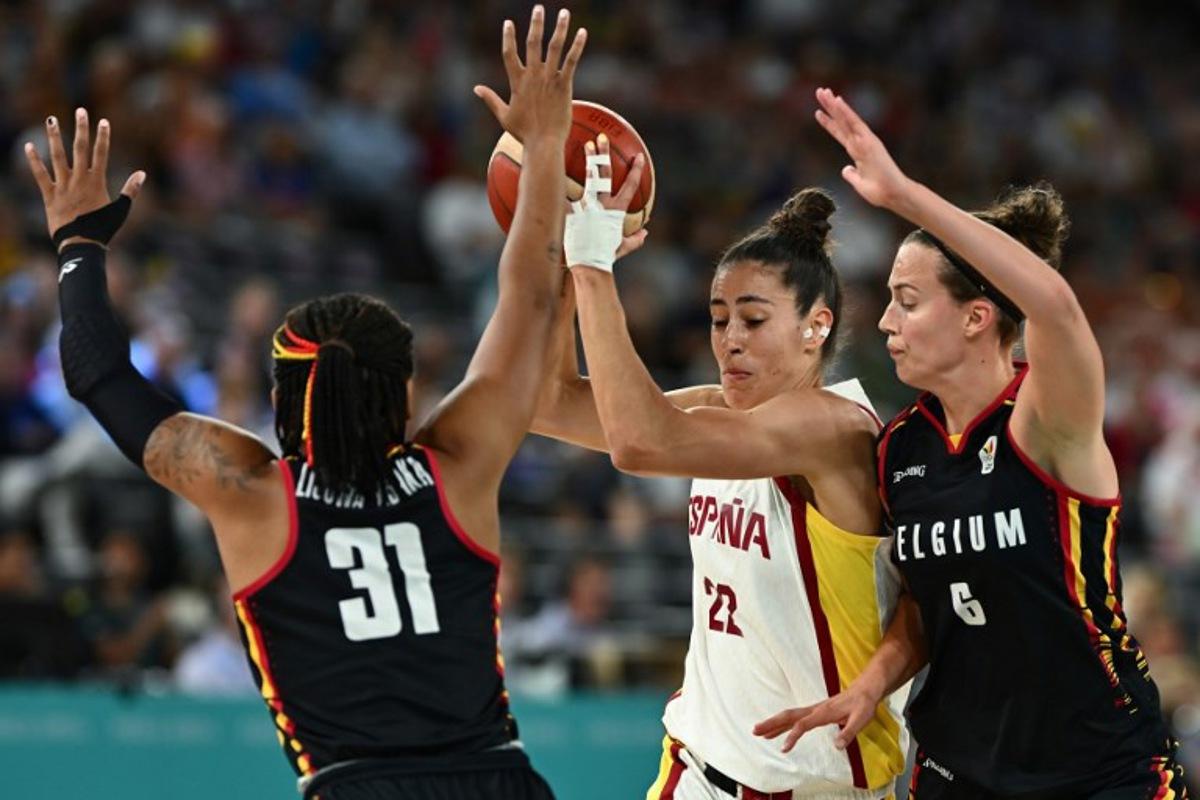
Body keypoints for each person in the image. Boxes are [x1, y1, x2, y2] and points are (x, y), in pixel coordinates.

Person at [25, 6, 586, 798]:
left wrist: (79, 245)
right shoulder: (458, 463)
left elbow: (96, 375)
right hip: (497, 779)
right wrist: (544, 142)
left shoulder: (252, 492)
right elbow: (528, 298)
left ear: (288, 396)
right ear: (403, 394)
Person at [753, 88, 1189, 799]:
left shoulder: (1046, 418)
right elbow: (929, 603)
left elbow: (1056, 304)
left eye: (909, 299)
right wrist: (871, 684)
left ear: (978, 318)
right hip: (962, 769)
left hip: (1099, 769)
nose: (886, 320)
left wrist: (906, 198)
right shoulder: (901, 447)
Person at [534, 138, 908, 799]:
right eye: (718, 320)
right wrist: (568, 264)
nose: (730, 339)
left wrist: (596, 269)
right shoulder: (714, 414)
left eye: (754, 319)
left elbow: (639, 445)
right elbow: (549, 402)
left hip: (806, 785)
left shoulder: (835, 429)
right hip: (692, 765)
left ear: (816, 326)